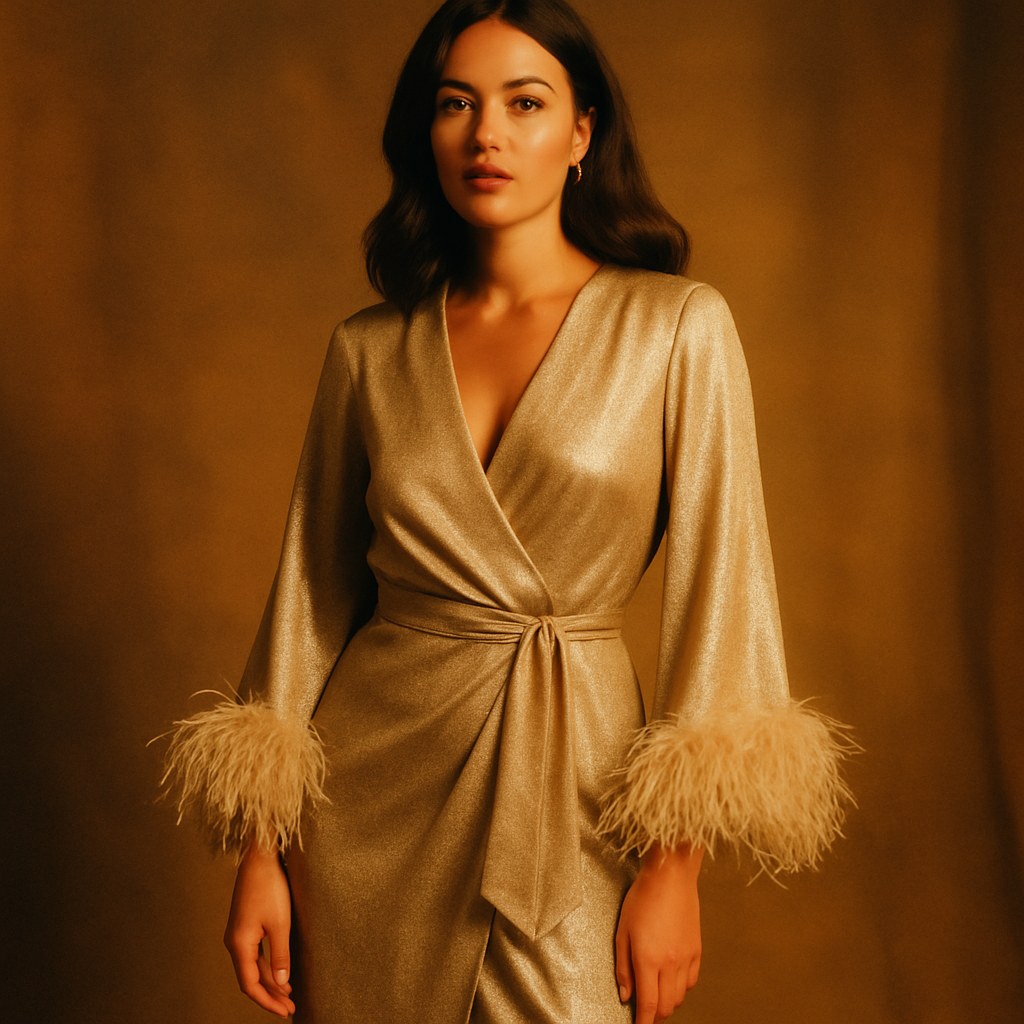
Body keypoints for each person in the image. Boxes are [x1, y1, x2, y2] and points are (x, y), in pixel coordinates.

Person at [162, 2, 853, 1022]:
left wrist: (674, 871)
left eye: (524, 103)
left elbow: (722, 597)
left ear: (581, 135)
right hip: (365, 809)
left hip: (572, 793)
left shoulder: (677, 328)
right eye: (455, 104)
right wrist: (260, 851)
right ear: (425, 133)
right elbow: (307, 599)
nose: (486, 134)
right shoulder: (368, 350)